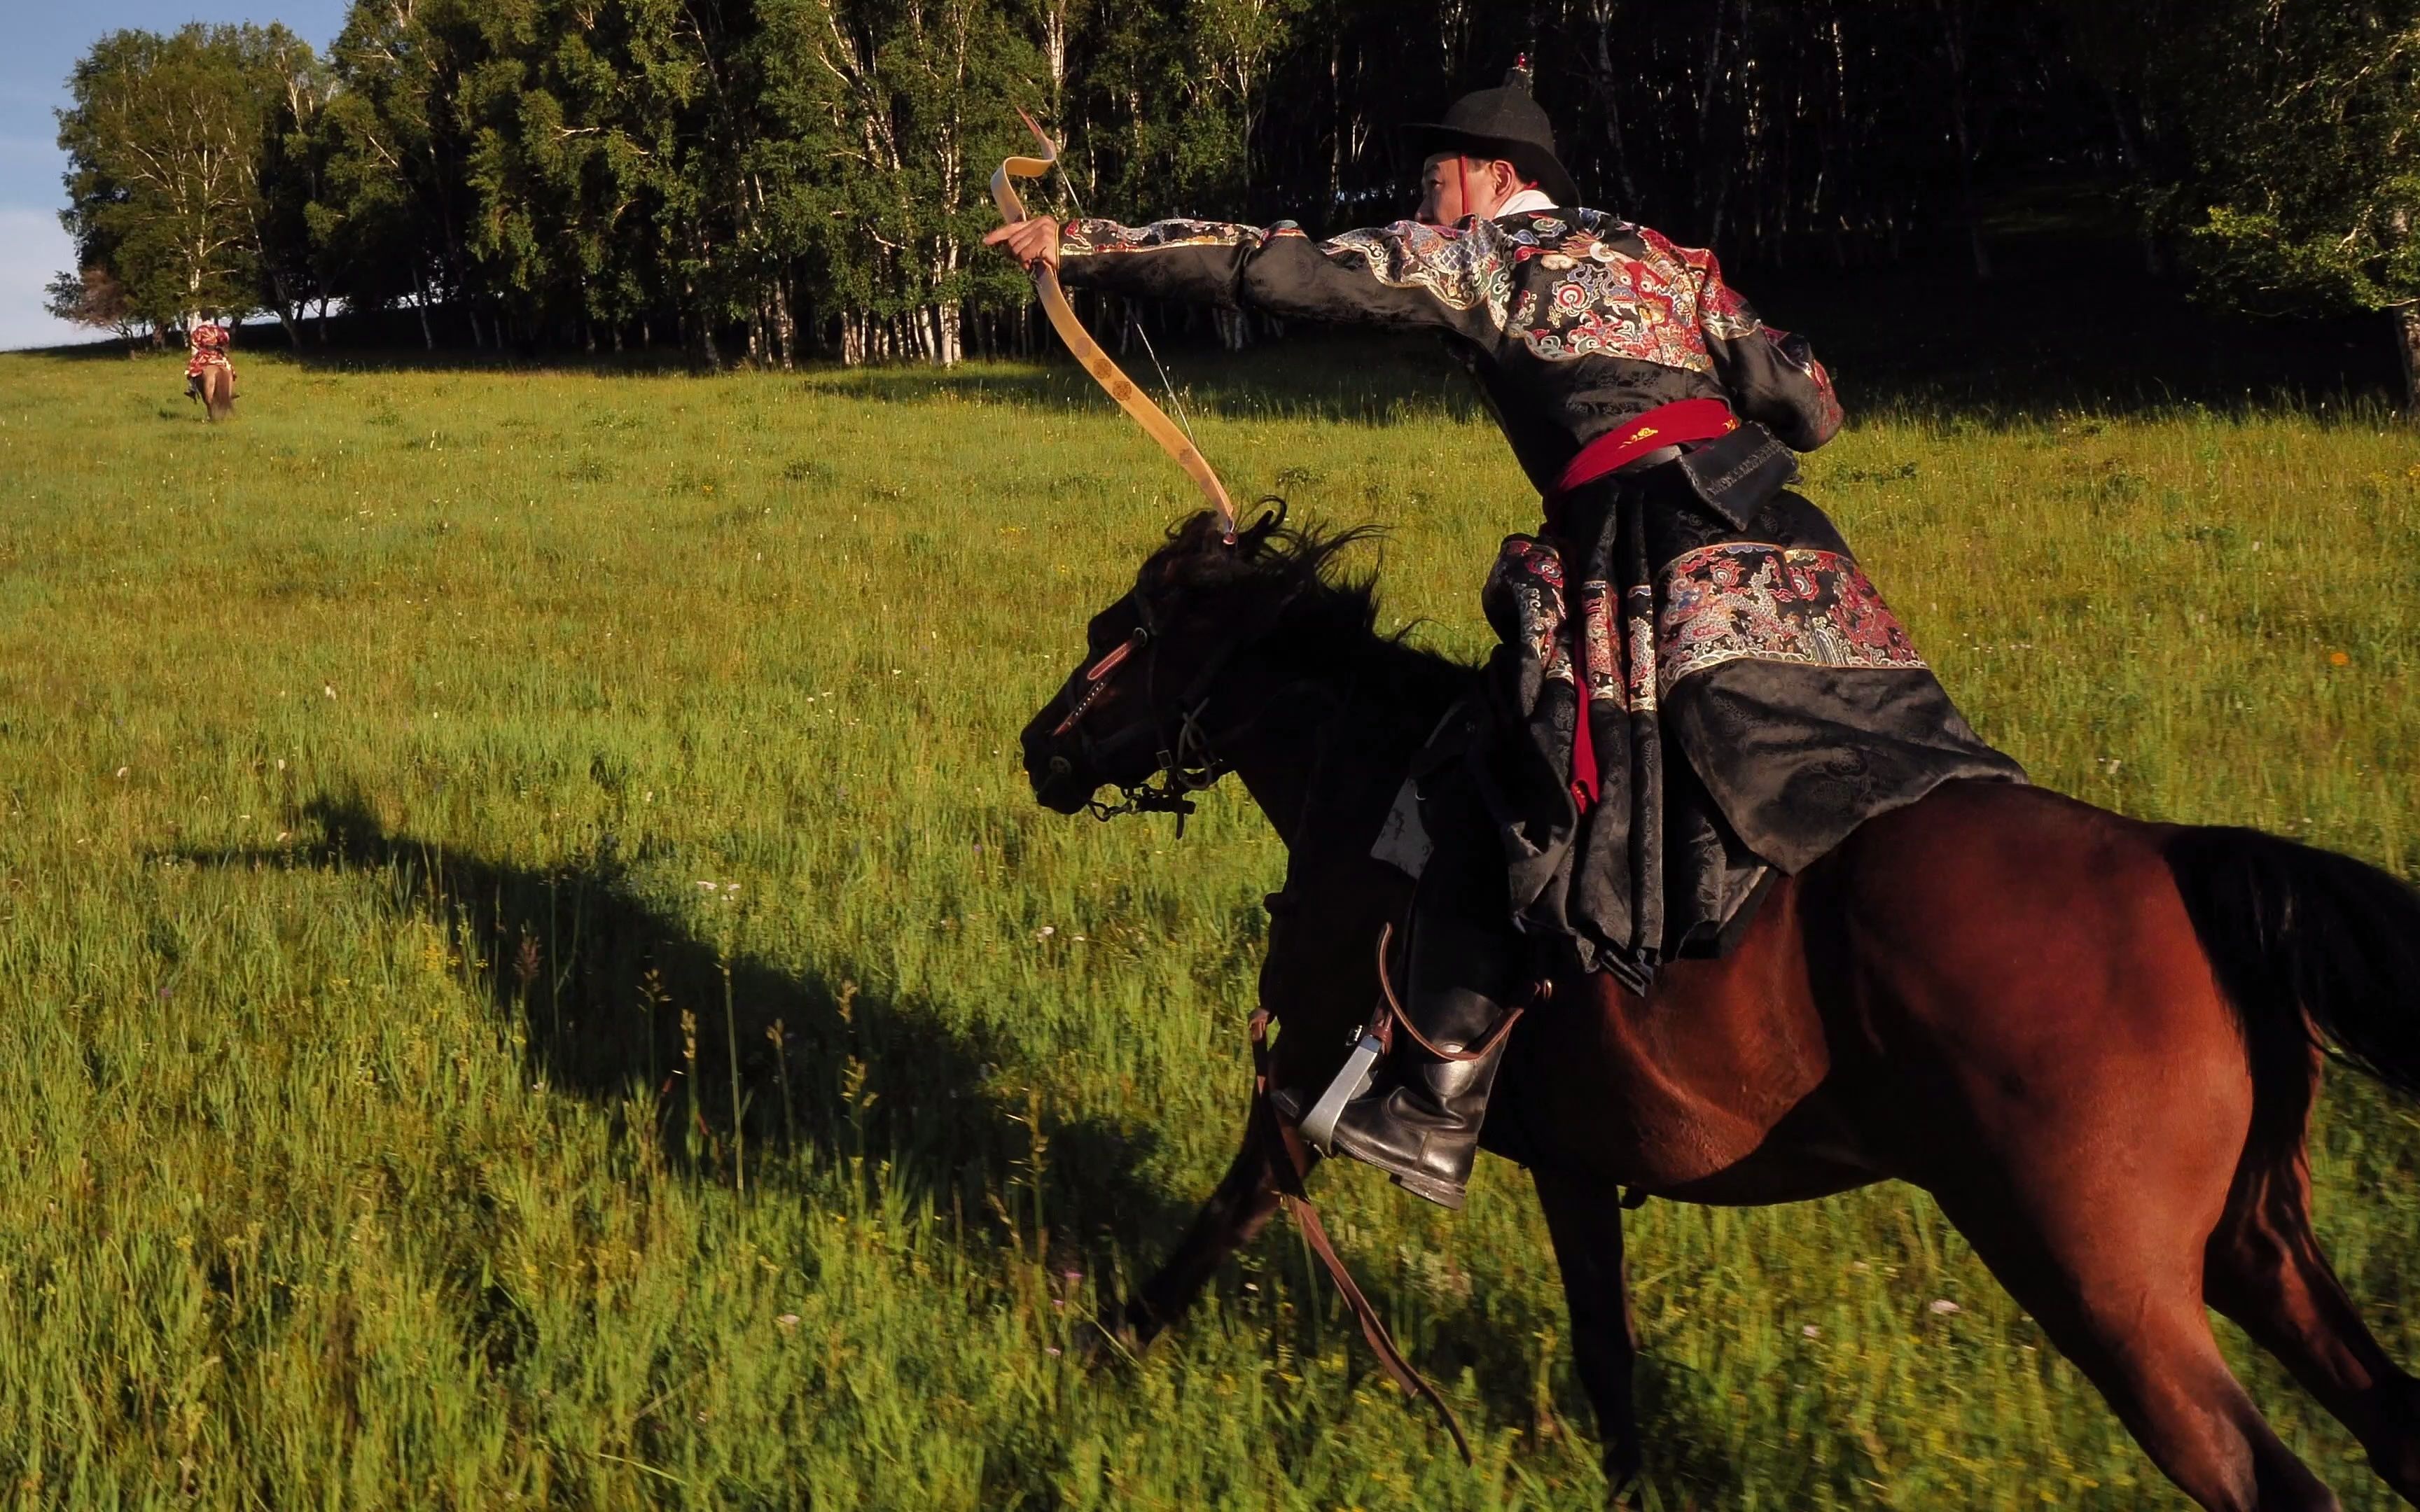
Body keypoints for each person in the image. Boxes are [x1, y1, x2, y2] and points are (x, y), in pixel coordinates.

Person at [987, 63, 2023, 1210]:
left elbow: (1279, 265)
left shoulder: (1490, 261)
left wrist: (1080, 246)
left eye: (1434, 177)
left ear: (1494, 177)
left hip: (1641, 560)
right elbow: (1812, 406)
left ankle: (1443, 1092)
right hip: (1788, 554)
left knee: (1498, 778)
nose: (1422, 199)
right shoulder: (1671, 258)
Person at [186, 313, 234, 402]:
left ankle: (192, 389)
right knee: (229, 368)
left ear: (202, 318)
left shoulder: (199, 330)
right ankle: (231, 392)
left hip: (205, 354)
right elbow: (226, 338)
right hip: (217, 353)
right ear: (210, 318)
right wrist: (219, 345)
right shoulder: (218, 329)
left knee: (192, 368)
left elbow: (194, 341)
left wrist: (201, 347)